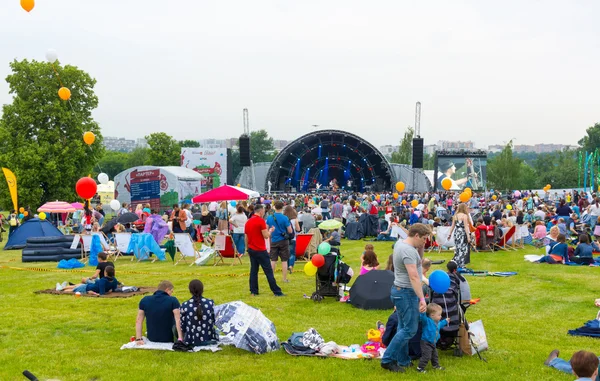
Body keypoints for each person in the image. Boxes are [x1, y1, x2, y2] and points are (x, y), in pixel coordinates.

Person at [381, 223, 430, 373]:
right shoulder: (408, 251)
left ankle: (402, 359)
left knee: (402, 327)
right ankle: (388, 359)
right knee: (410, 329)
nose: (425, 241)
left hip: (399, 291)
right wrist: (422, 299)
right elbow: (414, 276)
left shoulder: (401, 244)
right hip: (406, 293)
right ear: (416, 236)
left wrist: (420, 248)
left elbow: (418, 261)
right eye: (423, 239)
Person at [244, 204, 284, 296]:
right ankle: (276, 291)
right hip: (260, 250)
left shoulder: (248, 222)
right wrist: (270, 231)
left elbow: (246, 237)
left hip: (251, 248)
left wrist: (247, 248)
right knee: (268, 271)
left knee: (254, 271)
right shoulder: (260, 221)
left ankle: (253, 291)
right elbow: (266, 236)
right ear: (261, 211)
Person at [180, 279, 218, 347]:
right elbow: (215, 320)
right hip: (209, 339)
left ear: (190, 290)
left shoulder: (185, 305)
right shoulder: (210, 303)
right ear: (202, 289)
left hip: (191, 340)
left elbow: (182, 326)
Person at [416, 303, 449, 373]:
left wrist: (446, 321)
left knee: (435, 355)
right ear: (432, 315)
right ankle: (420, 368)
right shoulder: (427, 321)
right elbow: (423, 318)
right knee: (427, 356)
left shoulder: (437, 322)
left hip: (433, 342)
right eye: (439, 315)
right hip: (426, 342)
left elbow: (441, 323)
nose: (440, 316)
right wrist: (422, 312)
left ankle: (436, 365)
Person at [266, 201, 293, 283]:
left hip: (274, 240)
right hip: (283, 240)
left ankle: (271, 278)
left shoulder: (270, 218)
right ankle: (284, 278)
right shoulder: (285, 218)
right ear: (282, 208)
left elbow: (266, 229)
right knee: (284, 260)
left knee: (273, 260)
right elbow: (290, 230)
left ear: (274, 207)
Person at [447, 203, 471, 267]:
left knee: (457, 248)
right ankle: (461, 263)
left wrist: (449, 234)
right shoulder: (465, 216)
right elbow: (466, 227)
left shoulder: (455, 216)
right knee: (463, 248)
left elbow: (452, 226)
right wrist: (468, 236)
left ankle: (456, 261)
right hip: (462, 233)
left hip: (456, 232)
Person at [283, 205, 301, 272]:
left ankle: (287, 265)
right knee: (292, 253)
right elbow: (298, 229)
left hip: (285, 237)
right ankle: (291, 265)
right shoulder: (295, 219)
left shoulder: (284, 218)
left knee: (286, 253)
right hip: (293, 238)